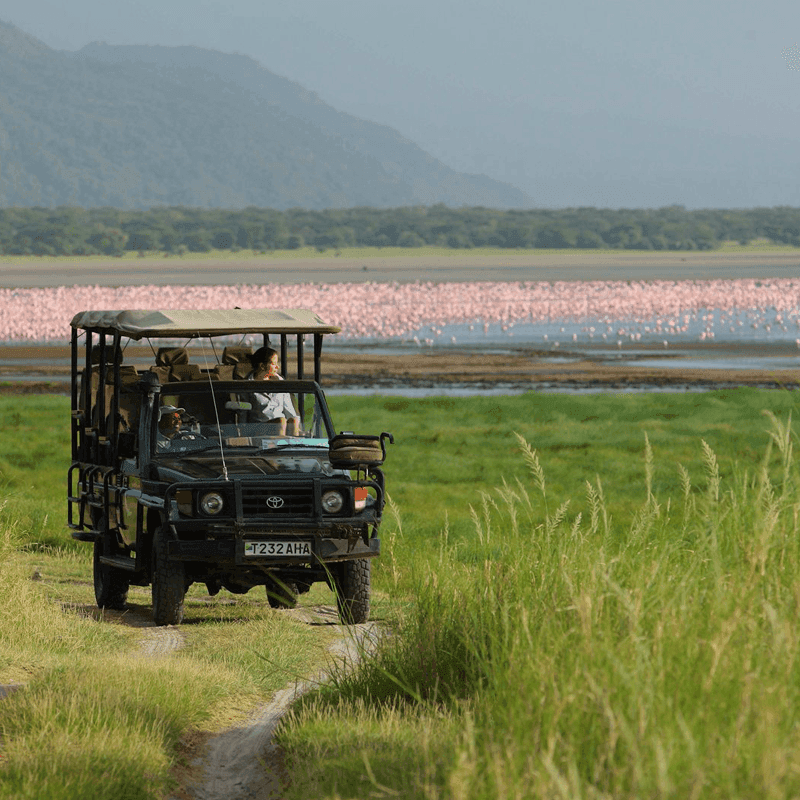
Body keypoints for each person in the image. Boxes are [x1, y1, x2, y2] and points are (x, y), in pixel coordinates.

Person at [248, 347, 301, 436]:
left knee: (293, 420)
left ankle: (296, 447)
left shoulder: (281, 382)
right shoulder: (247, 386)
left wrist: (296, 425)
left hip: (282, 424)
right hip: (259, 428)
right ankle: (279, 448)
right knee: (280, 422)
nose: (277, 367)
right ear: (262, 366)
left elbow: (289, 411)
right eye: (274, 364)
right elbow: (242, 414)